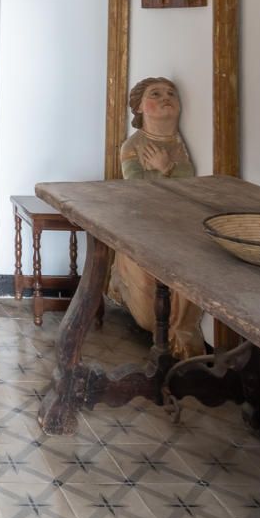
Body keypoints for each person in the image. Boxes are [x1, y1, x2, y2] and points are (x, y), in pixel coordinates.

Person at [109, 76, 205, 357]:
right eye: (155, 94)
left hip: (177, 222)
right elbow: (136, 188)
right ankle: (163, 327)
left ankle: (179, 331)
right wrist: (165, 172)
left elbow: (188, 180)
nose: (166, 98)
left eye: (171, 93)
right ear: (139, 108)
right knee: (147, 298)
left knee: (190, 266)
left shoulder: (177, 143)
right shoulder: (133, 146)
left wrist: (166, 168)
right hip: (144, 222)